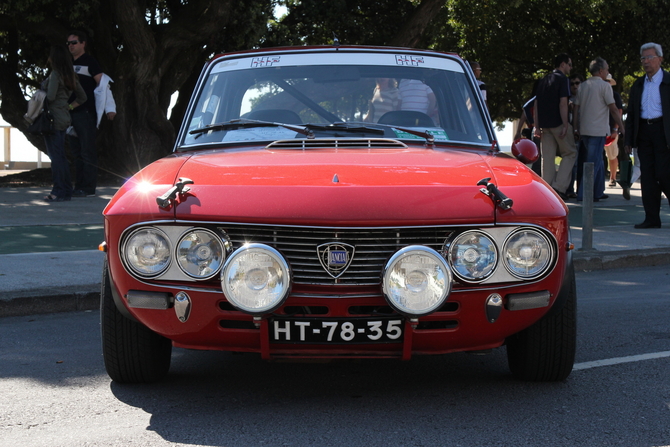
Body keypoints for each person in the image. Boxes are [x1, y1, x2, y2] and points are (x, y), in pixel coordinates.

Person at [624, 42, 670, 229]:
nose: (645, 62)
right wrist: (628, 140)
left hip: (664, 132)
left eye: (649, 57)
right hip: (644, 132)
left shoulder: (667, 81)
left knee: (665, 174)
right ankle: (652, 218)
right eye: (643, 58)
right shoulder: (638, 85)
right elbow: (632, 114)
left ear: (660, 59)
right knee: (648, 177)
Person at [573, 57, 625, 202]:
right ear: (601, 71)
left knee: (597, 161)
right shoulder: (605, 86)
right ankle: (584, 194)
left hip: (584, 130)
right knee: (593, 163)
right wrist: (621, 126)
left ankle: (597, 192)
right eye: (607, 69)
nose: (607, 72)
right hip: (598, 131)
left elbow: (576, 108)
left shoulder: (582, 86)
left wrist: (576, 128)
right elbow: (613, 108)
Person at [66, 30, 109, 198]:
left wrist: (108, 108)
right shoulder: (68, 63)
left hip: (85, 112)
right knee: (76, 152)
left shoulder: (90, 61)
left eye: (74, 42)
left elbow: (102, 84)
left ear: (83, 43)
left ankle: (89, 187)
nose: (71, 45)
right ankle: (79, 186)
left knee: (87, 150)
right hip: (70, 114)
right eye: (69, 43)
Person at [42, 45, 87, 202]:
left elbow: (50, 96)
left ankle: (58, 191)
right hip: (64, 118)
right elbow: (82, 98)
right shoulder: (71, 76)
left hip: (52, 119)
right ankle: (66, 190)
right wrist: (68, 106)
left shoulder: (56, 74)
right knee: (60, 155)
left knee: (56, 157)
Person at [533, 53, 577, 200]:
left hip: (544, 125)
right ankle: (559, 187)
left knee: (548, 157)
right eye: (569, 64)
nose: (570, 67)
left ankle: (547, 189)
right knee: (570, 153)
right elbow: (563, 103)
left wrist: (537, 126)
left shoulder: (543, 80)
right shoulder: (563, 80)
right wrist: (565, 124)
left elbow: (536, 104)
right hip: (558, 123)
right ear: (563, 64)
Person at [604, 74, 623, 187]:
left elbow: (619, 112)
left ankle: (613, 178)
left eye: (608, 81)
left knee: (612, 155)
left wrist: (615, 128)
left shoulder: (615, 95)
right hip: (598, 128)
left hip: (611, 129)